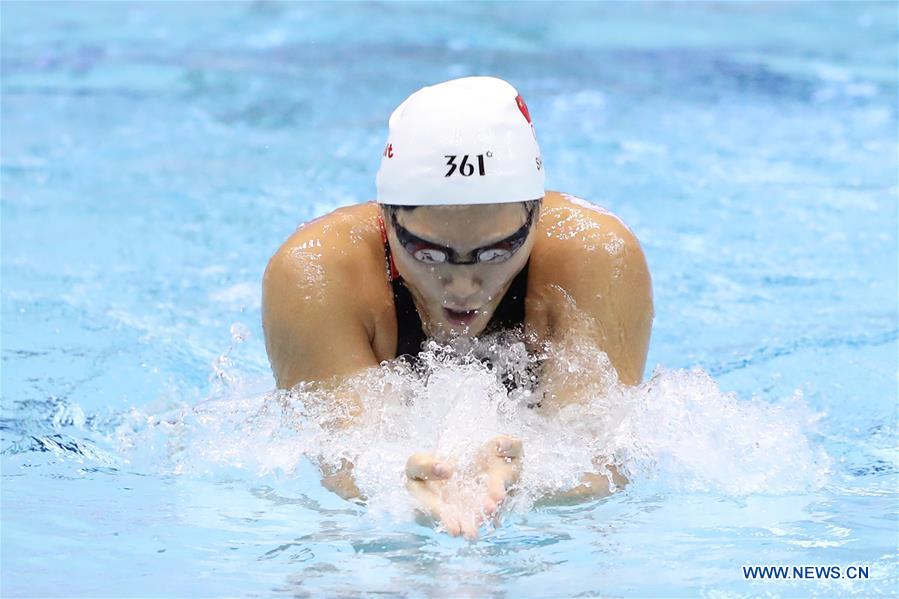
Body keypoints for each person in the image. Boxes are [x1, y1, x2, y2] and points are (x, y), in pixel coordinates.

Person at [262, 76, 653, 539]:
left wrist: (535, 481)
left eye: (497, 251)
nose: (464, 286)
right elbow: (341, 456)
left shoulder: (594, 256)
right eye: (429, 253)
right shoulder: (318, 272)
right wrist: (393, 486)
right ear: (386, 218)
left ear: (537, 215)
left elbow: (599, 458)